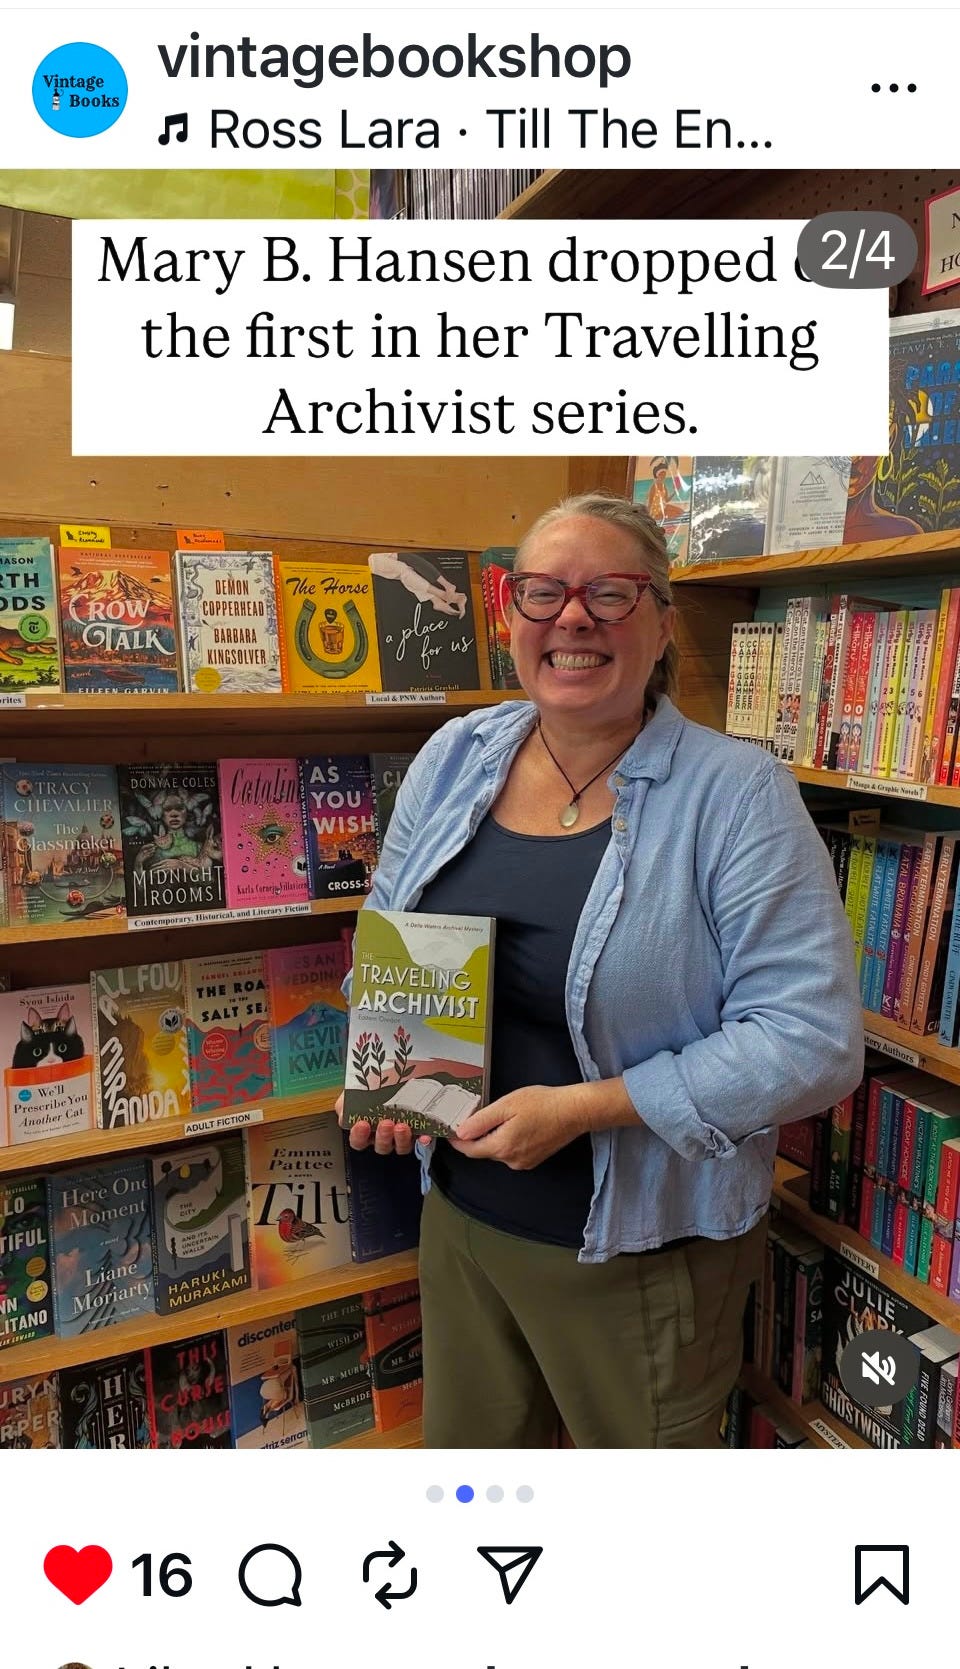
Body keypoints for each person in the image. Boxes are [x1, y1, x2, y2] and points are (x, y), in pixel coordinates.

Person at [341, 490, 864, 1448]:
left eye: (610, 593)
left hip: (641, 1252)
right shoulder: (457, 755)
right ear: (510, 619)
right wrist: (384, 1067)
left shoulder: (738, 795)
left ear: (663, 623)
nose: (572, 616)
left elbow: (815, 1042)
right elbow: (389, 928)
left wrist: (584, 1108)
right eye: (542, 592)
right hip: (462, 1221)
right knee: (476, 1500)